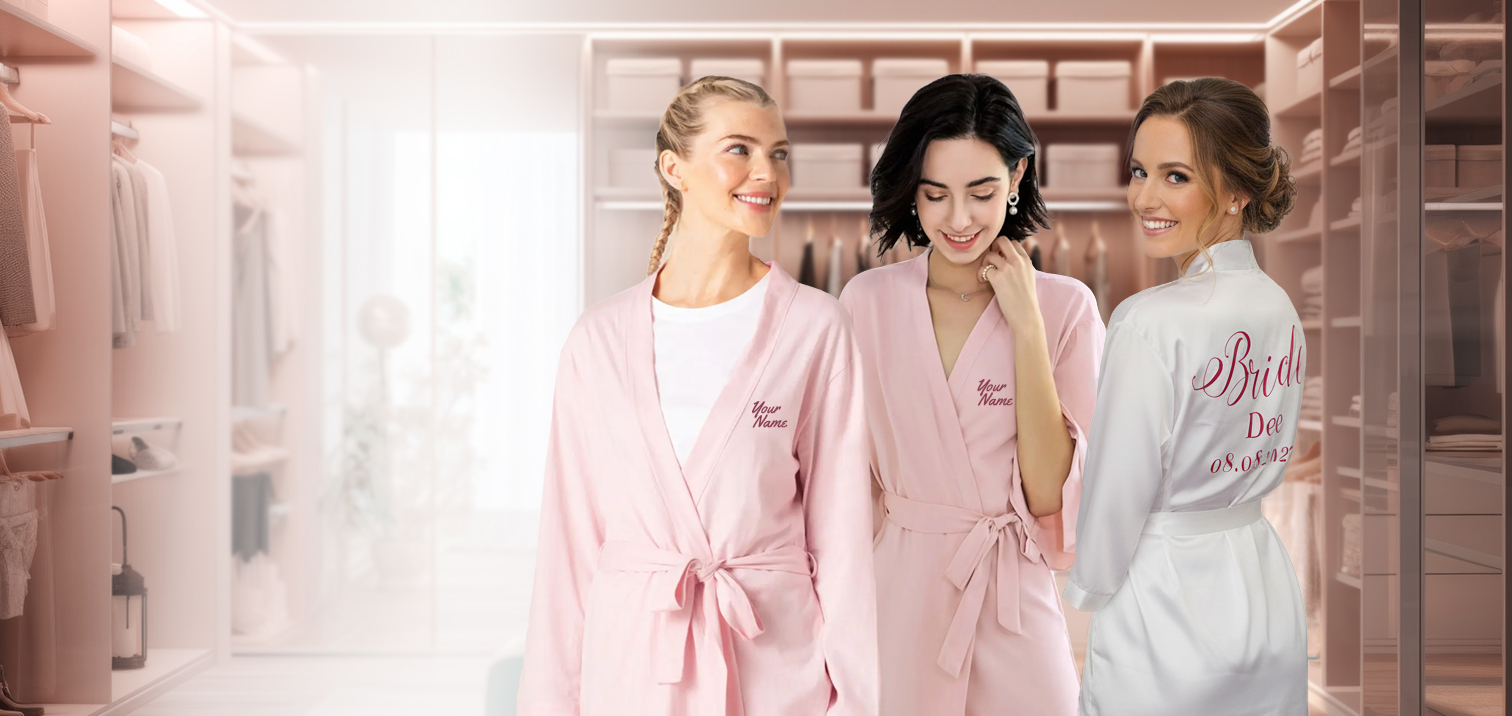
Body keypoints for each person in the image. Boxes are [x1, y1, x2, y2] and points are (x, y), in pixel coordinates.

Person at [517, 76, 879, 716]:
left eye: (779, 153)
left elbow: (844, 546)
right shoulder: (596, 341)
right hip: (634, 669)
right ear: (673, 168)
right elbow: (567, 555)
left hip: (775, 667)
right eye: (738, 149)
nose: (766, 172)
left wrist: (853, 703)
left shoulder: (815, 328)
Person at [840, 73, 1102, 716]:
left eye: (981, 193)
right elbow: (847, 485)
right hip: (899, 593)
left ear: (1017, 179)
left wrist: (1027, 329)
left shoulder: (1065, 308)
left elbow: (1050, 497)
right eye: (936, 195)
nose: (957, 220)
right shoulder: (865, 305)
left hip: (1013, 592)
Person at [1064, 77, 1306, 715]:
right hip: (1263, 589)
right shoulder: (1278, 306)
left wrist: (1087, 587)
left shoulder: (1150, 320)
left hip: (1165, 598)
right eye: (1140, 170)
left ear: (1235, 190)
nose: (1144, 196)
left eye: (1176, 176)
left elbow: (1119, 484)